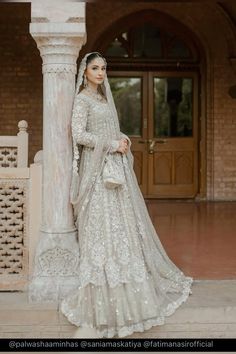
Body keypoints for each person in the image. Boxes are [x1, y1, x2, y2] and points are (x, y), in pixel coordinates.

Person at [60, 52, 193, 338]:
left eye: (104, 68)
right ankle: (103, 296)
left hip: (113, 172)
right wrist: (110, 144)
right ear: (84, 72)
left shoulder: (104, 99)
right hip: (96, 176)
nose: (100, 72)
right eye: (95, 68)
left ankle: (131, 289)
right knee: (103, 232)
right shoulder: (82, 100)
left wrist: (123, 139)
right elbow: (79, 135)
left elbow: (109, 128)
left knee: (122, 229)